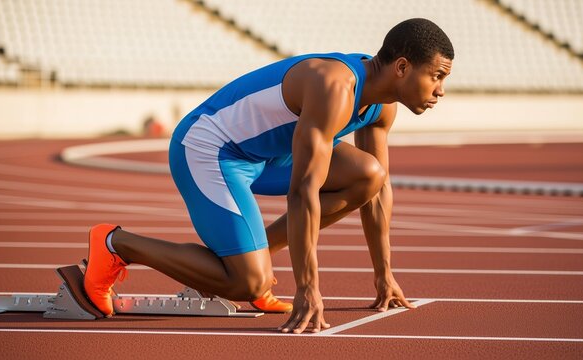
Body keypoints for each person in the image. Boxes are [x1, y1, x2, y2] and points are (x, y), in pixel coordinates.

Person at [83, 17, 454, 334]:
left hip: (267, 156)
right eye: (436, 76)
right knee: (247, 283)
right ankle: (116, 244)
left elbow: (378, 192)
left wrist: (383, 275)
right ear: (402, 68)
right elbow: (304, 190)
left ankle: (251, 257)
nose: (440, 91)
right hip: (210, 150)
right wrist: (307, 287)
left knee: (369, 176)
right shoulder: (335, 88)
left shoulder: (381, 108)